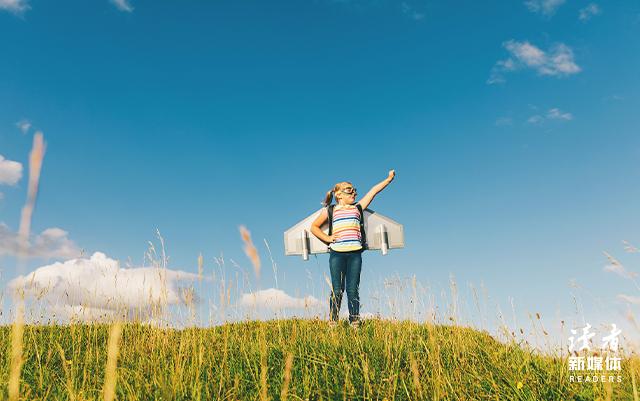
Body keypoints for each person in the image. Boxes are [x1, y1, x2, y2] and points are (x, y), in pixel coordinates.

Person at [310, 170, 396, 328]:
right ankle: (333, 321)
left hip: (355, 254)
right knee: (337, 289)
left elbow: (373, 191)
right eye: (349, 189)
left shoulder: (357, 208)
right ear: (339, 194)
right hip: (337, 254)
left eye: (354, 190)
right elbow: (314, 227)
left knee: (352, 289)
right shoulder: (330, 211)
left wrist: (388, 179)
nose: (354, 192)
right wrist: (327, 238)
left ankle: (354, 321)